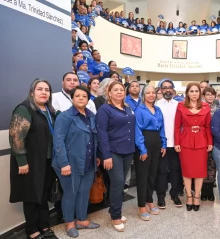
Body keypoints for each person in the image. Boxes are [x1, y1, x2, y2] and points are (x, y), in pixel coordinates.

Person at [9, 79, 57, 239]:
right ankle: (32, 229)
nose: (44, 92)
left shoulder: (49, 111)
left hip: (47, 161)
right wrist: (22, 161)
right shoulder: (24, 109)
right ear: (32, 92)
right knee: (31, 196)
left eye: (47, 90)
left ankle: (44, 224)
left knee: (43, 194)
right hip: (30, 162)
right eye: (39, 89)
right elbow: (16, 136)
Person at [52, 86, 100, 237]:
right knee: (70, 193)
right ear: (72, 98)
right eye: (77, 96)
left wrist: (97, 156)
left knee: (84, 192)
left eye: (84, 96)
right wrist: (64, 163)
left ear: (88, 99)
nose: (80, 98)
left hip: (88, 162)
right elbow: (58, 141)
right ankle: (70, 223)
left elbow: (94, 138)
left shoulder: (91, 115)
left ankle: (82, 220)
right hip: (69, 163)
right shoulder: (65, 116)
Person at [96, 81, 135, 232]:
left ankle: (114, 210)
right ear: (109, 93)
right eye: (115, 90)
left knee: (121, 183)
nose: (119, 92)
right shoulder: (105, 109)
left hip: (128, 151)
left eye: (121, 90)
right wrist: (106, 155)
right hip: (113, 152)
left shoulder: (128, 108)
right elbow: (102, 133)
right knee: (118, 182)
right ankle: (116, 216)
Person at [174, 82, 213, 212]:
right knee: (187, 170)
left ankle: (197, 196)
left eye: (196, 91)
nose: (194, 94)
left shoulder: (206, 106)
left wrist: (210, 142)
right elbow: (176, 126)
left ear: (200, 93)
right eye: (192, 91)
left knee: (200, 171)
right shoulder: (180, 106)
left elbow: (208, 126)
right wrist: (177, 143)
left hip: (202, 141)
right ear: (187, 93)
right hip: (185, 141)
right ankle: (189, 196)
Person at [135, 85, 167, 221]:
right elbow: (137, 130)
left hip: (156, 143)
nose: (151, 95)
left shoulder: (158, 109)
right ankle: (141, 205)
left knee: (152, 174)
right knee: (143, 176)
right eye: (148, 93)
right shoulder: (139, 110)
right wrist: (142, 149)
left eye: (153, 92)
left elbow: (162, 128)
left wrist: (164, 144)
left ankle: (149, 200)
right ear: (144, 95)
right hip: (144, 143)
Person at [156, 80, 184, 208]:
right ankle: (161, 196)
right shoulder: (156, 105)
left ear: (173, 90)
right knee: (161, 171)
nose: (167, 90)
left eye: (169, 88)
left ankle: (175, 194)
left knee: (175, 170)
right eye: (164, 88)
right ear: (160, 90)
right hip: (162, 144)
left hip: (176, 143)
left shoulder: (179, 104)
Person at [201, 87, 220, 201]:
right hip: (202, 139)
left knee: (212, 165)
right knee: (203, 164)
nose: (210, 96)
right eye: (208, 94)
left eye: (212, 94)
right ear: (203, 96)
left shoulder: (219, 109)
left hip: (215, 140)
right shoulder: (199, 108)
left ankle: (210, 190)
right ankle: (203, 190)